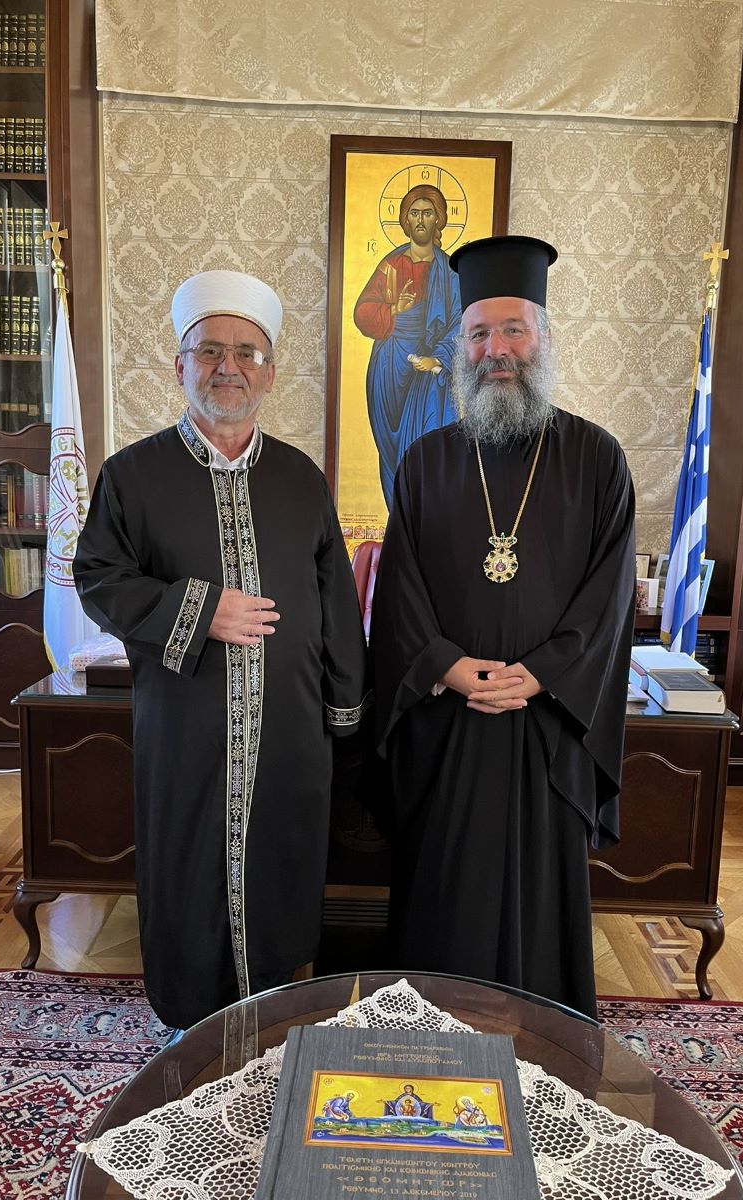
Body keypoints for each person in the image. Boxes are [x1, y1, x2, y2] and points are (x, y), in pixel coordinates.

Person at [74, 269, 368, 1032]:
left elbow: (338, 603)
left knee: (283, 876)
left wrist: (346, 713)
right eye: (209, 351)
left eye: (246, 353)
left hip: (289, 738)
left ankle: (277, 1013)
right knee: (188, 876)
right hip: (185, 736)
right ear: (180, 365)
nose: (227, 367)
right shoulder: (131, 476)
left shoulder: (301, 479)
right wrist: (199, 610)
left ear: (269, 372)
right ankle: (191, 1026)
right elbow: (98, 578)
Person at [369, 236, 636, 1020]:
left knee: (538, 909)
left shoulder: (597, 460)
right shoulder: (425, 462)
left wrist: (545, 671)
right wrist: (447, 666)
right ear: (460, 349)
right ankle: (427, 1036)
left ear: (543, 338)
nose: (496, 350)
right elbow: (399, 591)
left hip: (547, 725)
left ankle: (542, 1040)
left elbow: (610, 596)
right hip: (450, 726)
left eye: (513, 329)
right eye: (479, 334)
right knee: (443, 895)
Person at [354, 184, 462, 506]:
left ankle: (425, 519)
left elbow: (461, 321)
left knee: (427, 448)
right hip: (388, 369)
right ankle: (397, 520)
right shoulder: (390, 265)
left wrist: (438, 359)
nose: (421, 219)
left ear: (438, 220)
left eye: (427, 213)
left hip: (427, 373)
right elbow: (362, 313)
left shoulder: (450, 272)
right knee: (391, 453)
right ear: (405, 219)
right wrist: (392, 310)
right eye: (414, 213)